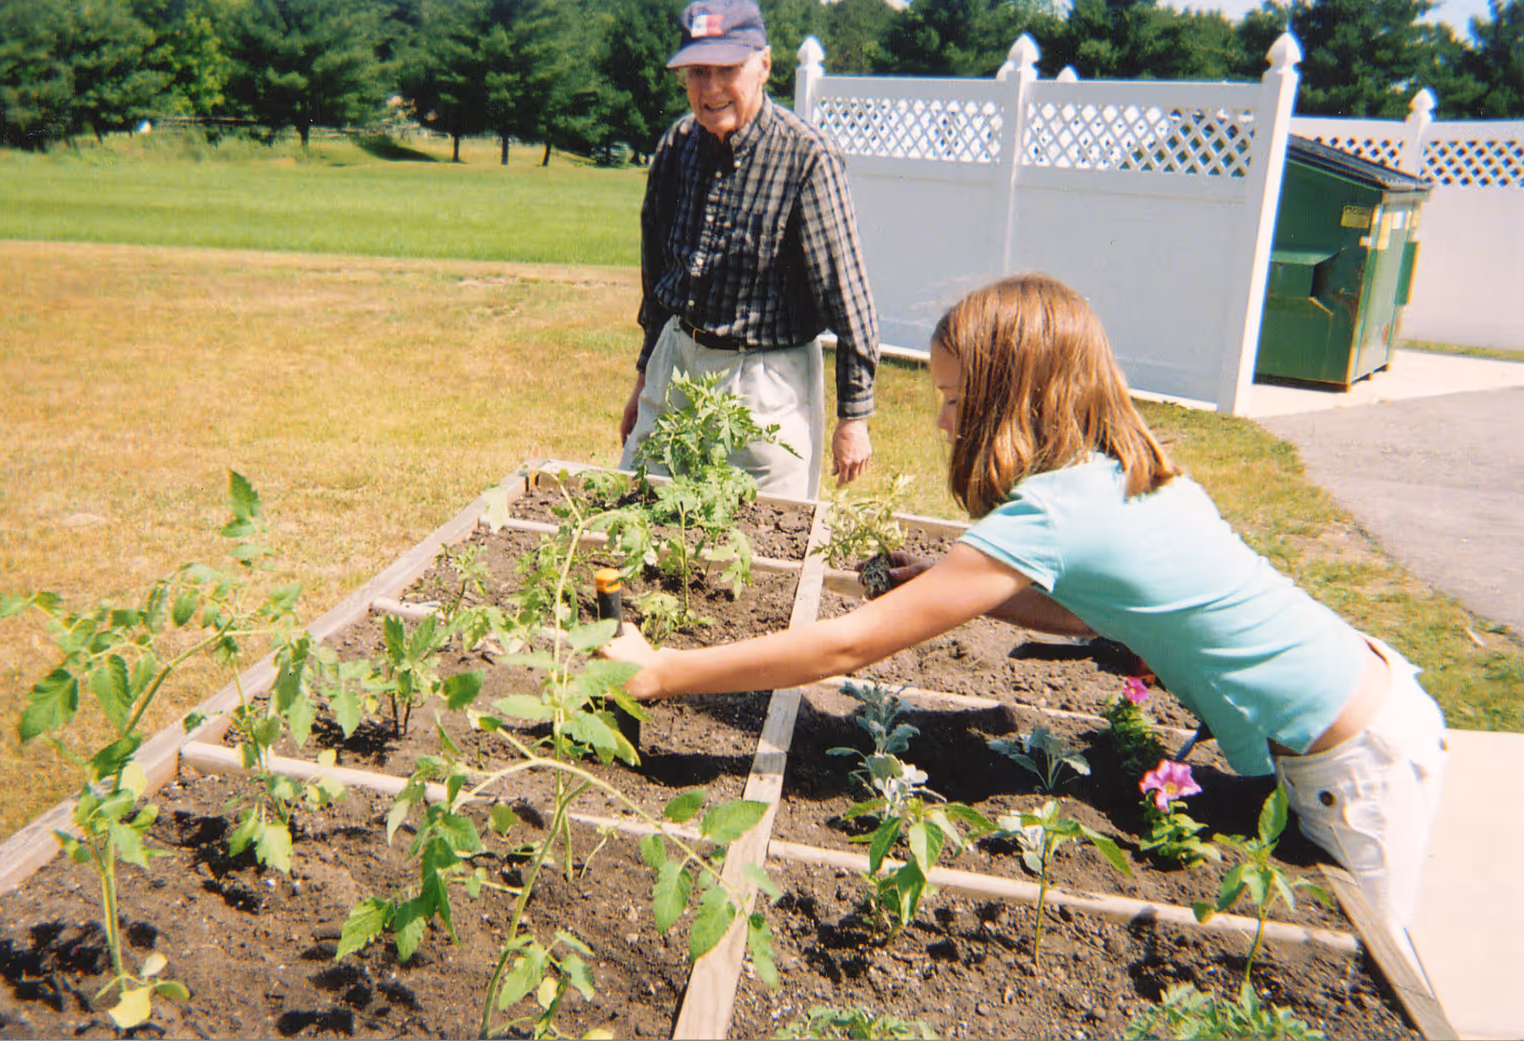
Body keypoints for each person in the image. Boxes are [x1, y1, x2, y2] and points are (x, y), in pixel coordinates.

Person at [604, 272, 1448, 955]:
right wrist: (953, 574)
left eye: (952, 396)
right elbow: (1091, 615)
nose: (939, 418)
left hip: (1353, 765)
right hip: (1370, 710)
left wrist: (665, 671)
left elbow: (847, 647)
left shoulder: (1055, 510)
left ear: (1013, 395)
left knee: (1366, 974)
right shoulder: (1117, 465)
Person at [618, 0, 880, 500]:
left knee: (764, 538)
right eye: (697, 72)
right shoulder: (677, 145)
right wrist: (643, 377)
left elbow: (849, 299)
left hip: (768, 383)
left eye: (727, 69)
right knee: (638, 509)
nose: (711, 88)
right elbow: (658, 282)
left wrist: (854, 417)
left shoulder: (807, 158)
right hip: (677, 361)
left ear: (764, 64)